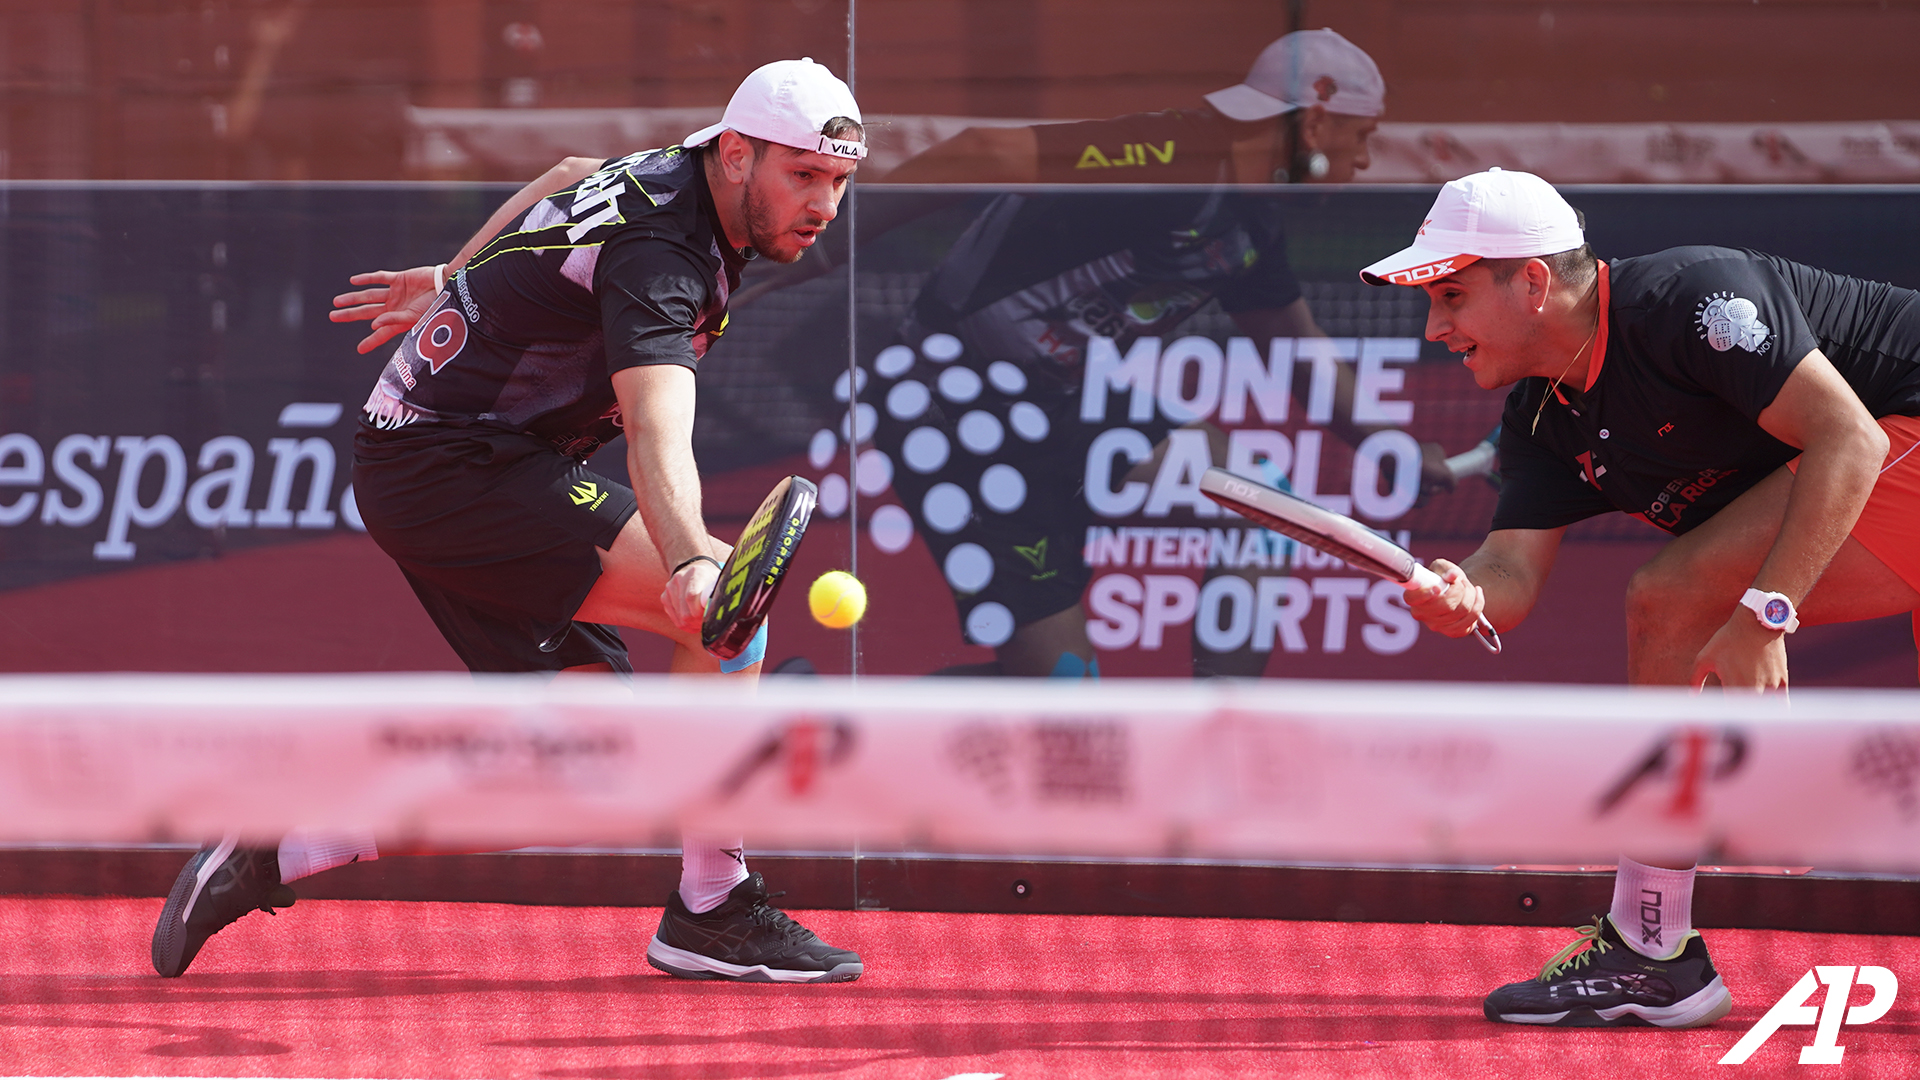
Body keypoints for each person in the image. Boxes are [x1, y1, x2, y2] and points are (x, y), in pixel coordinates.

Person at [149, 59, 869, 985]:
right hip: (454, 469)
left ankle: (277, 850)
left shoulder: (678, 172)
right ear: (737, 154)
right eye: (801, 176)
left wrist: (456, 275)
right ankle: (714, 904)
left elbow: (567, 172)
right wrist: (691, 556)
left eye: (838, 182)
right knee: (731, 608)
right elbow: (656, 425)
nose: (823, 205)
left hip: (445, 464)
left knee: (586, 774)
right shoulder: (664, 256)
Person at [1361, 167, 1920, 1026]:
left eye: (1453, 296)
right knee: (1677, 595)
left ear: (1535, 283)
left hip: (1898, 426)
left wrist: (1767, 610)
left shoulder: (1690, 302)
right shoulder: (1542, 417)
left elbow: (1845, 436)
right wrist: (1461, 593)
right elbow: (1509, 577)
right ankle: (1655, 948)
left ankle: (1649, 946)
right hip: (1882, 462)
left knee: (1673, 594)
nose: (1436, 326)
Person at [856, 29, 1454, 679]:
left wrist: (1387, 443)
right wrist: (833, 242)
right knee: (1064, 698)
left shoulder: (1251, 224)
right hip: (952, 407)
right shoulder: (1173, 158)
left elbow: (1294, 346)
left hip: (1061, 402)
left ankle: (1214, 736)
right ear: (1314, 123)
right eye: (1362, 136)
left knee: (1264, 503)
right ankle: (831, 718)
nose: (1363, 161)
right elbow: (983, 149)